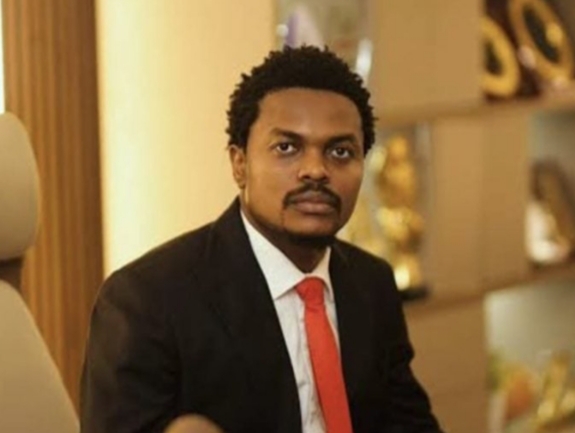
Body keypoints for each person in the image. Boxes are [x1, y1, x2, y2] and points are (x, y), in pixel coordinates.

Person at [80, 46, 443, 433]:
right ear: (239, 163)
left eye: (340, 151)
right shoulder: (147, 300)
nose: (315, 170)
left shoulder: (372, 283)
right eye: (287, 148)